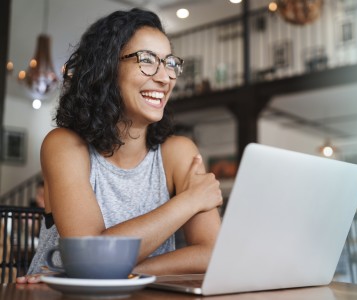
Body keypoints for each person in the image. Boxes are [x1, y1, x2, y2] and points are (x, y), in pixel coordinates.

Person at [17, 8, 222, 283]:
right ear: (107, 68)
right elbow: (92, 256)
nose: (165, 78)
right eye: (147, 60)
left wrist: (128, 273)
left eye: (170, 63)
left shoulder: (179, 153)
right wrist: (190, 201)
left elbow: (211, 252)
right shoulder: (64, 145)